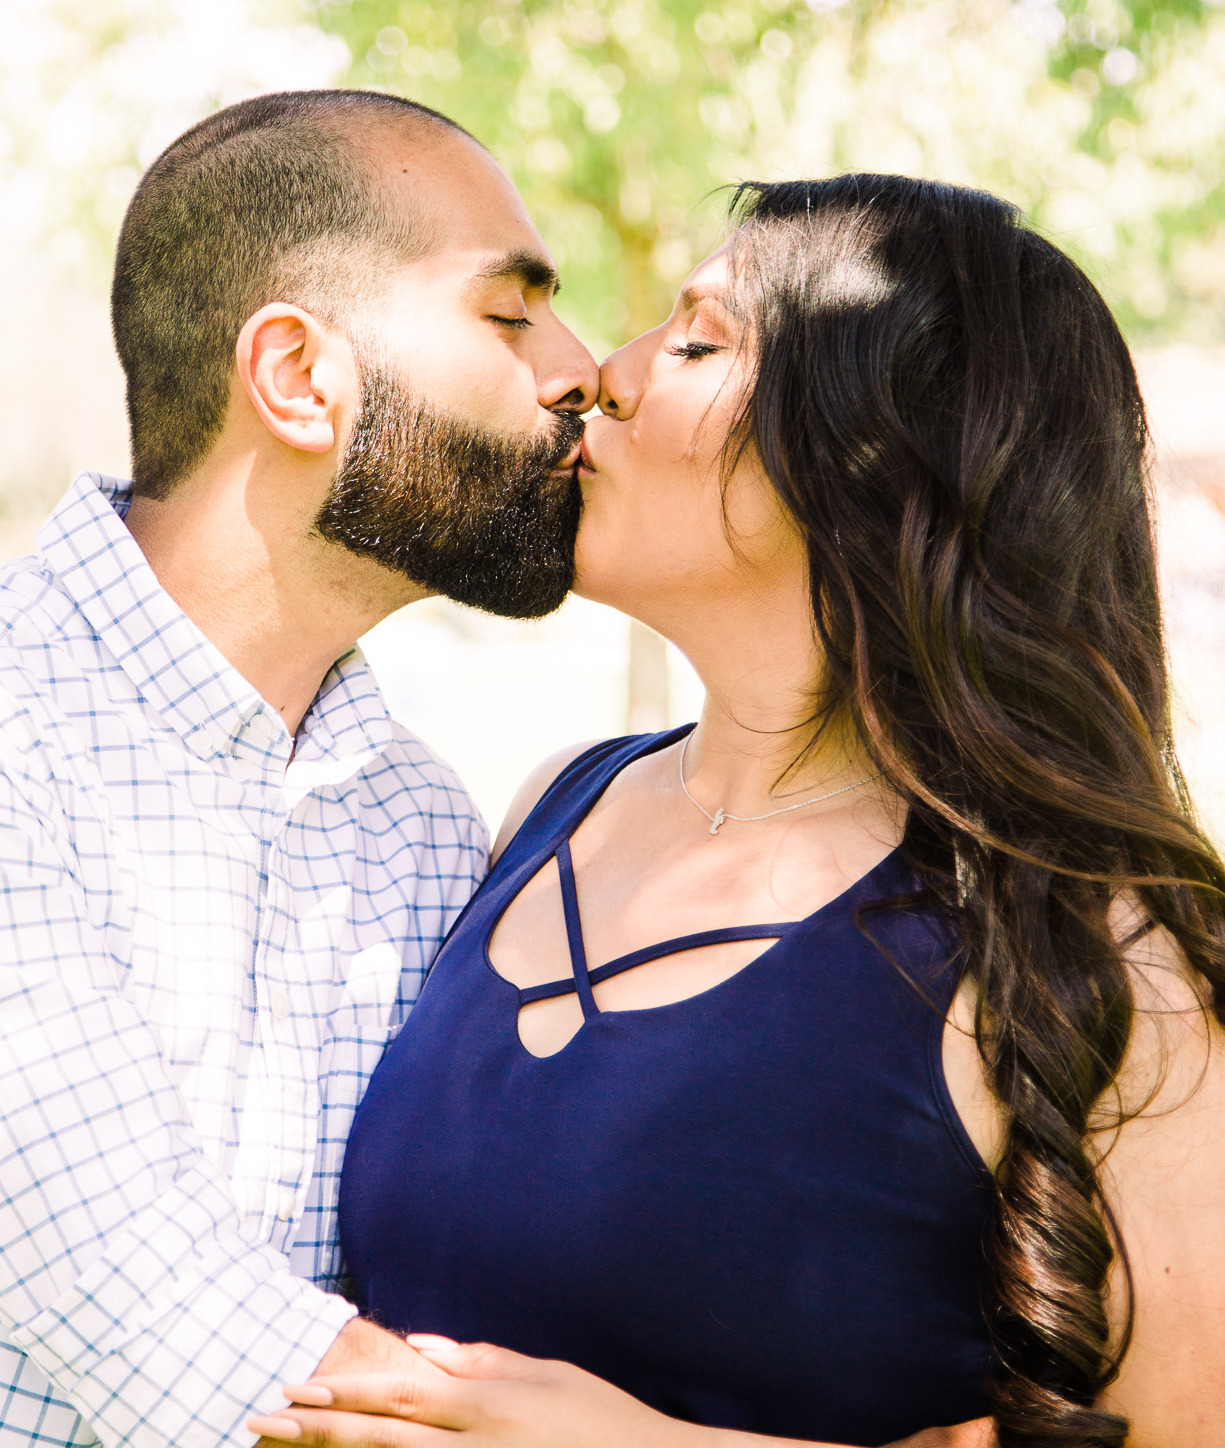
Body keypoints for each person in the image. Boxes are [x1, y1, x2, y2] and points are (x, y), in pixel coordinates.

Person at [256, 176, 1225, 1448]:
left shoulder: (1100, 963)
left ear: (879, 453)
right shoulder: (552, 805)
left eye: (701, 341)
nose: (604, 373)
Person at [0, 86, 602, 1448]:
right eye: (510, 315)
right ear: (296, 376)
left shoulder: (422, 821)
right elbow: (196, 1344)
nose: (581, 369)